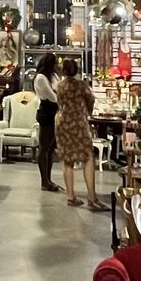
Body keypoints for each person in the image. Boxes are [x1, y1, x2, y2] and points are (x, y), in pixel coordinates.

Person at [55, 59, 101, 209]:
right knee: (88, 157)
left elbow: (60, 103)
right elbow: (91, 100)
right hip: (79, 124)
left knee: (67, 159)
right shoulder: (81, 85)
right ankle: (92, 197)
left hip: (63, 124)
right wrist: (87, 112)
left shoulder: (60, 86)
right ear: (76, 70)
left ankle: (70, 196)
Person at [32, 52, 61, 191]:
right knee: (44, 147)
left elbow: (59, 90)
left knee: (50, 148)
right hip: (47, 111)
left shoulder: (53, 76)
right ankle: (44, 181)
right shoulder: (41, 77)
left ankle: (49, 180)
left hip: (55, 111)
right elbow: (52, 96)